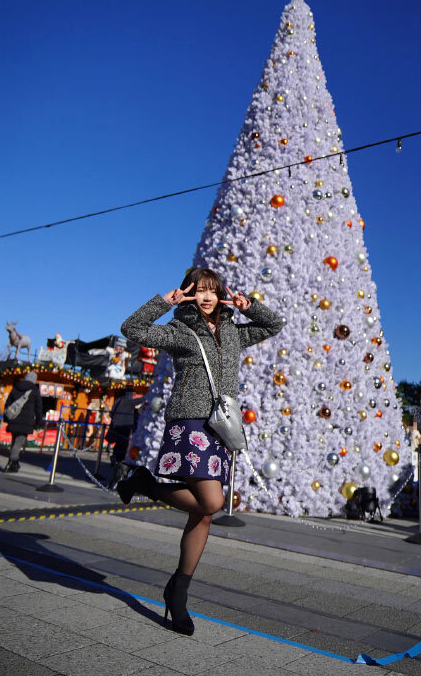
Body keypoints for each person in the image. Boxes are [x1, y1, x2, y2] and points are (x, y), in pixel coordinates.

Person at [117, 267, 283, 635]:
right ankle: (144, 483)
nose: (207, 297)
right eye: (200, 290)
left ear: (221, 294)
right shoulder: (180, 330)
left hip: (219, 426)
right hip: (190, 423)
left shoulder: (233, 333)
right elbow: (131, 329)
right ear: (190, 293)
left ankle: (178, 593)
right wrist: (164, 302)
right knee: (210, 503)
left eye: (213, 291)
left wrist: (249, 306)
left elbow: (275, 325)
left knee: (204, 516)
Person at [2, 370, 43, 472]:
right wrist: (38, 422)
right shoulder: (34, 390)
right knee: (18, 442)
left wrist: (6, 418)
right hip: (26, 421)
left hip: (14, 419)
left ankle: (15, 464)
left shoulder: (16, 387)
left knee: (14, 441)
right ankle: (10, 463)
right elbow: (38, 408)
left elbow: (8, 403)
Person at [106, 386, 143, 488]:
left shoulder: (118, 401)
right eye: (133, 394)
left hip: (116, 427)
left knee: (118, 449)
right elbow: (141, 400)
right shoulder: (128, 402)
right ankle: (117, 477)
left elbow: (111, 414)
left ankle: (116, 468)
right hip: (124, 428)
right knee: (122, 451)